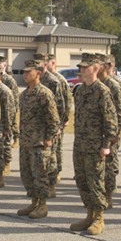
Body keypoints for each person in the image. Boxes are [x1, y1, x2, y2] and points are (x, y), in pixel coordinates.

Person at [70, 53, 117, 235]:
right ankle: (89, 214)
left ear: (95, 69)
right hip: (80, 144)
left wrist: (106, 145)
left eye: (85, 67)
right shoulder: (80, 90)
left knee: (96, 182)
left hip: (96, 147)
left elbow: (111, 122)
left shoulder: (102, 91)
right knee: (82, 181)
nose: (81, 70)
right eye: (80, 67)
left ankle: (99, 217)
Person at [16, 59, 60, 219]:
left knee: (40, 175)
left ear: (38, 73)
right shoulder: (24, 94)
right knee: (27, 174)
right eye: (24, 72)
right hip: (26, 141)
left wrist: (49, 138)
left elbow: (54, 120)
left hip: (39, 143)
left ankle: (42, 205)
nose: (25, 74)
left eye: (29, 72)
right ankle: (34, 202)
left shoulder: (44, 93)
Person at [98, 54, 121, 209]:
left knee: (110, 165)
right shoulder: (96, 84)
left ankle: (108, 195)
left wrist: (116, 133)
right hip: (97, 133)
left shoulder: (113, 85)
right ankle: (100, 194)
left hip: (111, 133)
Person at [35, 53, 66, 197]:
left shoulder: (53, 82)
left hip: (51, 127)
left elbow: (60, 105)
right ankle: (42, 184)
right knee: (41, 159)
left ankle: (52, 183)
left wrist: (57, 127)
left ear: (45, 64)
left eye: (39, 63)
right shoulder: (35, 80)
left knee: (52, 155)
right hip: (37, 128)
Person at [44, 52, 72, 185]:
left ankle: (57, 171)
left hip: (57, 121)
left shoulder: (59, 80)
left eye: (46, 62)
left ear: (53, 63)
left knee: (57, 148)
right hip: (46, 121)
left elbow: (66, 101)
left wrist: (63, 120)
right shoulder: (43, 78)